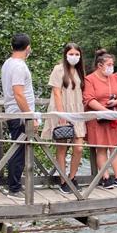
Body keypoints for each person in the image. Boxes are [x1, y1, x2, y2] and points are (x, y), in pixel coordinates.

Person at [42, 43, 87, 194]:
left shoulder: (80, 71)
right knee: (61, 148)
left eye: (77, 54)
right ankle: (63, 181)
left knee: (79, 148)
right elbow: (56, 92)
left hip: (77, 111)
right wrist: (62, 115)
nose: (74, 57)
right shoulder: (58, 69)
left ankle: (72, 177)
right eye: (71, 54)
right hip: (62, 109)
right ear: (66, 54)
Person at [83, 50, 117, 189]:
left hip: (114, 116)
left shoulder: (115, 77)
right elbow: (89, 99)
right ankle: (105, 177)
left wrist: (115, 103)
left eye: (112, 64)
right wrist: (104, 111)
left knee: (116, 148)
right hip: (98, 118)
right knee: (101, 148)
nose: (111, 67)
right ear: (100, 65)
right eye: (109, 64)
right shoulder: (89, 79)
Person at [1, 33, 36, 195]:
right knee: (18, 150)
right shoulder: (19, 66)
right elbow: (18, 93)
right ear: (27, 48)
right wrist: (30, 115)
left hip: (13, 112)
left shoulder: (8, 63)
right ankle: (14, 187)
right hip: (19, 114)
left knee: (18, 148)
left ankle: (14, 184)